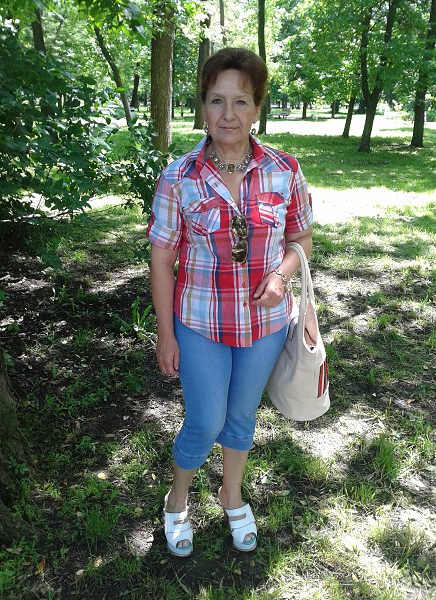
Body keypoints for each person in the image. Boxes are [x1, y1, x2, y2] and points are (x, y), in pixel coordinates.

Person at [146, 47, 313, 557]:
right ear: (202, 106)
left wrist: (282, 276)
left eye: (241, 101)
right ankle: (177, 499)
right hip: (200, 322)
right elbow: (161, 261)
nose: (228, 114)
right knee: (204, 420)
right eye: (216, 100)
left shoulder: (285, 169)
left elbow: (301, 240)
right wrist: (166, 334)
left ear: (257, 107)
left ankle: (231, 494)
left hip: (265, 326)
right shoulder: (179, 177)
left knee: (241, 417)